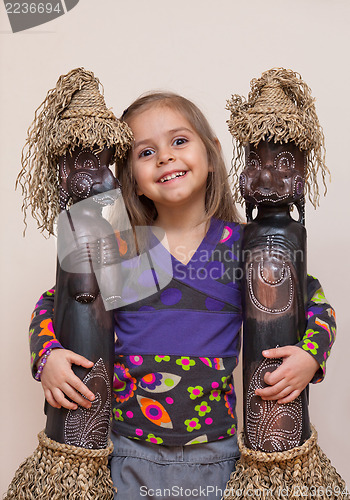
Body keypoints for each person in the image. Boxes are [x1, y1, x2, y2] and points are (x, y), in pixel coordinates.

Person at [28, 92, 335, 499]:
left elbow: (315, 304)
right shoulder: (128, 250)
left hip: (219, 454)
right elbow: (52, 304)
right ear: (129, 178)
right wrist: (47, 357)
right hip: (127, 452)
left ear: (212, 153)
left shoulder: (242, 248)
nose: (165, 158)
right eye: (146, 152)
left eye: (179, 141)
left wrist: (311, 355)